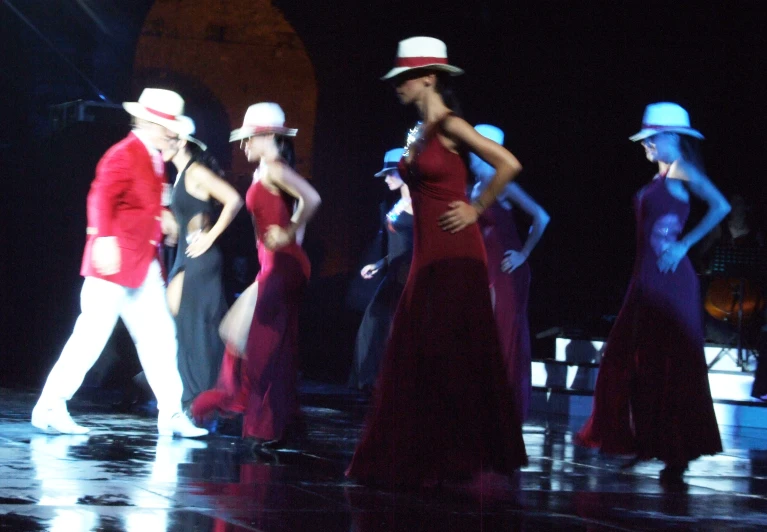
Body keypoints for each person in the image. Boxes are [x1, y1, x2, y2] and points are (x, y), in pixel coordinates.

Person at [347, 36, 528, 488]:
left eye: (405, 78)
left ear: (428, 78)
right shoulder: (422, 133)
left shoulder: (450, 124)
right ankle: (424, 454)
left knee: (450, 347)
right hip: (427, 253)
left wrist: (477, 205)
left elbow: (507, 163)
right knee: (417, 349)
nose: (397, 87)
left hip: (456, 252)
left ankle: (456, 455)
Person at [31, 88, 208, 438]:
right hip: (112, 267)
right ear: (147, 122)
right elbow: (100, 196)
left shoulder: (154, 157)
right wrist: (103, 239)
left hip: (143, 265)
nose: (171, 134)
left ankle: (171, 412)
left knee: (160, 338)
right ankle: (50, 406)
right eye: (165, 126)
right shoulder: (124, 153)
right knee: (90, 337)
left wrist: (164, 217)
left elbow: (146, 202)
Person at [576, 102, 730, 485]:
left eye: (650, 138)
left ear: (671, 138)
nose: (644, 145)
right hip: (644, 278)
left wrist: (684, 245)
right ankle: (646, 443)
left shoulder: (682, 170)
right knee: (629, 359)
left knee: (669, 362)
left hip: (670, 280)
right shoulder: (660, 177)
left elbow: (721, 206)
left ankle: (674, 453)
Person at [192, 103, 321, 447]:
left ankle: (260, 422)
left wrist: (290, 234)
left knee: (258, 345)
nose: (243, 146)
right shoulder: (263, 171)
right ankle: (271, 417)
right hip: (274, 266)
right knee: (237, 332)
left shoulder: (275, 169)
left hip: (282, 267)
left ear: (266, 137)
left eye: (248, 139)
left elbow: (311, 198)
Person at [470, 124, 550, 422]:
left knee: (499, 334)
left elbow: (541, 216)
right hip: (486, 267)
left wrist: (523, 254)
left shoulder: (500, 183)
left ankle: (500, 405)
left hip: (506, 269)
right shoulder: (476, 187)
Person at [164, 117, 243, 408]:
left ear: (181, 141)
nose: (160, 145)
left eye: (166, 138)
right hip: (186, 255)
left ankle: (199, 400)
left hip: (201, 259)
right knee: (188, 327)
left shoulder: (195, 171)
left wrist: (210, 238)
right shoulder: (180, 173)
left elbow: (234, 199)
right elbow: (193, 212)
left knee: (196, 330)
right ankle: (197, 398)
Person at [348, 148, 413, 392]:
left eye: (390, 173)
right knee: (372, 325)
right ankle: (372, 384)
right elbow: (397, 246)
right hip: (393, 272)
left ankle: (386, 384)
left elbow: (418, 245)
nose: (386, 179)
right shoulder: (399, 203)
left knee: (387, 326)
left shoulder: (418, 205)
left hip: (406, 276)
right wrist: (378, 264)